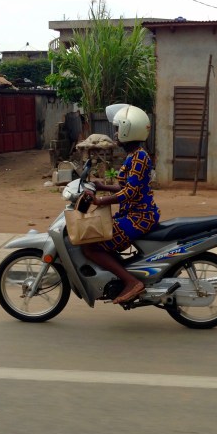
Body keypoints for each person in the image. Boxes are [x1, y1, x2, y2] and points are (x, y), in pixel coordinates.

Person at [81, 105, 160, 304]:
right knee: (99, 234)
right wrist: (103, 186)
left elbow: (130, 192)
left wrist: (101, 200)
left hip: (139, 218)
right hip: (131, 214)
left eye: (118, 129)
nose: (115, 133)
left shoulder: (139, 157)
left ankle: (131, 282)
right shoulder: (134, 156)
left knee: (90, 246)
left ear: (128, 129)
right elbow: (127, 187)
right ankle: (119, 278)